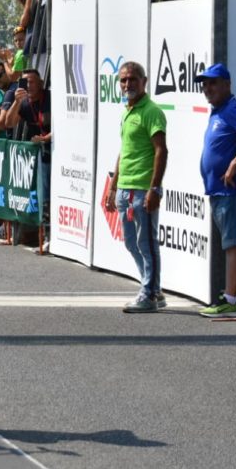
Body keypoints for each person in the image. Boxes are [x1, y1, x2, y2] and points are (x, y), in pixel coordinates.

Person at [195, 64, 236, 317]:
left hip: (230, 190)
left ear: (226, 84)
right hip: (222, 190)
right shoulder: (219, 111)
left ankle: (231, 300)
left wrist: (235, 163)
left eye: (213, 83)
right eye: (205, 84)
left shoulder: (232, 109)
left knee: (232, 245)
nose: (207, 89)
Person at [104, 62, 168, 313]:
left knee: (147, 243)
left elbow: (161, 151)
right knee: (131, 242)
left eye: (132, 79)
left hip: (143, 189)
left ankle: (149, 294)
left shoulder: (151, 111)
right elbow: (124, 151)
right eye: (123, 80)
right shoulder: (127, 111)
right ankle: (153, 288)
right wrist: (113, 186)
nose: (127, 84)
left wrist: (155, 189)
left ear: (145, 81)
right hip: (125, 189)